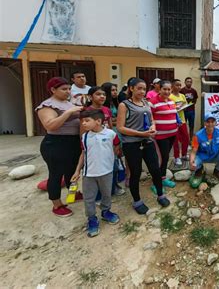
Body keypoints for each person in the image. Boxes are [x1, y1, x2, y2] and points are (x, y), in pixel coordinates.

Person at [116, 78, 170, 215]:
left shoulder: (146, 103)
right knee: (136, 173)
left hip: (147, 141)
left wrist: (152, 127)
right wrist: (141, 133)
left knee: (155, 169)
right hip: (132, 144)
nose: (142, 91)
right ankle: (137, 201)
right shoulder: (124, 105)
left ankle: (160, 194)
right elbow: (120, 128)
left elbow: (152, 120)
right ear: (131, 88)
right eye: (139, 88)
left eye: (144, 89)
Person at [36, 77, 83, 217]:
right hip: (55, 143)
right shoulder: (46, 106)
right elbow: (50, 125)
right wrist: (69, 113)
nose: (67, 92)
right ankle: (57, 205)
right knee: (56, 174)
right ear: (53, 90)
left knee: (72, 172)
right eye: (64, 89)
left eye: (69, 89)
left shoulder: (69, 103)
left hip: (73, 142)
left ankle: (72, 193)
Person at [71, 109, 120, 237]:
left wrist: (111, 159)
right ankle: (92, 219)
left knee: (106, 194)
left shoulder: (111, 134)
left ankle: (106, 212)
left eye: (87, 121)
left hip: (107, 172)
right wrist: (77, 171)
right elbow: (83, 154)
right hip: (89, 174)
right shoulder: (85, 136)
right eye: (82, 121)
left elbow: (117, 147)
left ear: (98, 121)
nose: (83, 124)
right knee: (89, 198)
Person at [150, 80, 179, 193]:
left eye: (169, 89)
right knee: (159, 159)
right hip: (160, 136)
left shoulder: (171, 101)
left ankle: (162, 178)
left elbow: (173, 115)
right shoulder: (152, 102)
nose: (167, 91)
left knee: (166, 157)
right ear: (160, 89)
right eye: (164, 89)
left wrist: (177, 121)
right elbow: (149, 118)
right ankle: (155, 183)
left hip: (172, 134)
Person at [190, 114, 219, 181]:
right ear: (204, 123)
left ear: (215, 123)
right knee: (194, 163)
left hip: (215, 156)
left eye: (212, 122)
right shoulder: (198, 135)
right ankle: (199, 169)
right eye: (208, 122)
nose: (210, 124)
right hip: (202, 157)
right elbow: (193, 151)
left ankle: (217, 171)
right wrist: (191, 161)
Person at [170, 79, 190, 166]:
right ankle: (176, 157)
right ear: (172, 86)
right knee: (176, 140)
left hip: (182, 120)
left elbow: (185, 106)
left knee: (186, 137)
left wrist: (183, 107)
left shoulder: (182, 96)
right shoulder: (170, 96)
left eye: (179, 85)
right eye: (177, 85)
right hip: (173, 121)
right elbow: (169, 108)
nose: (178, 87)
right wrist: (175, 108)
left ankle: (184, 154)